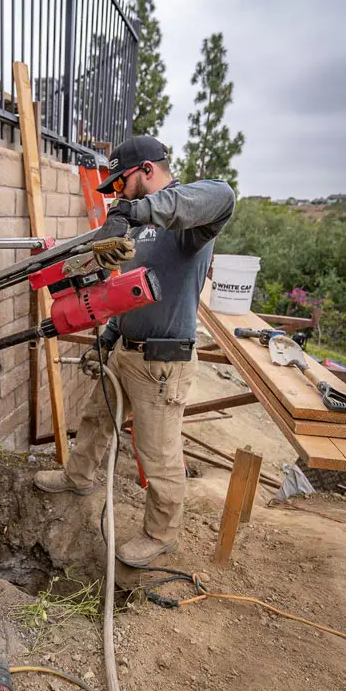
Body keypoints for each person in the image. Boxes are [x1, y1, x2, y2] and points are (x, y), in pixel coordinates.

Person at [34, 135, 236, 566]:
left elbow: (224, 195)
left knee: (158, 452)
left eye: (121, 184)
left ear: (146, 169)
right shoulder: (138, 229)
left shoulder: (190, 223)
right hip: (126, 349)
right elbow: (125, 292)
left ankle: (161, 534)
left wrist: (135, 209)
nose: (116, 195)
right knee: (95, 418)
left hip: (163, 362)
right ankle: (79, 477)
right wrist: (108, 338)